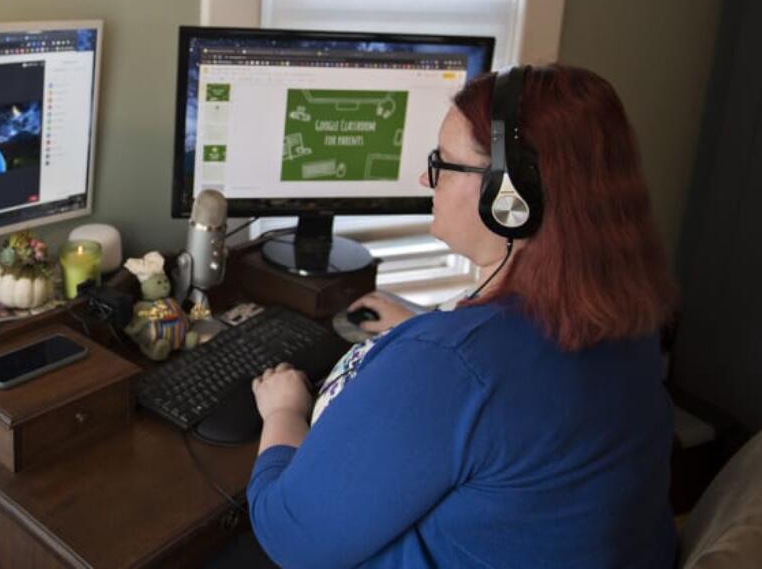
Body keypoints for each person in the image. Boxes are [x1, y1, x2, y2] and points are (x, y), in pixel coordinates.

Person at [247, 65, 678, 569]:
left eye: (444, 163)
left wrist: (283, 412)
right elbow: (513, 389)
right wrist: (427, 327)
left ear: (511, 199)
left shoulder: (452, 367)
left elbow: (289, 536)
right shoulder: (625, 313)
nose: (425, 178)